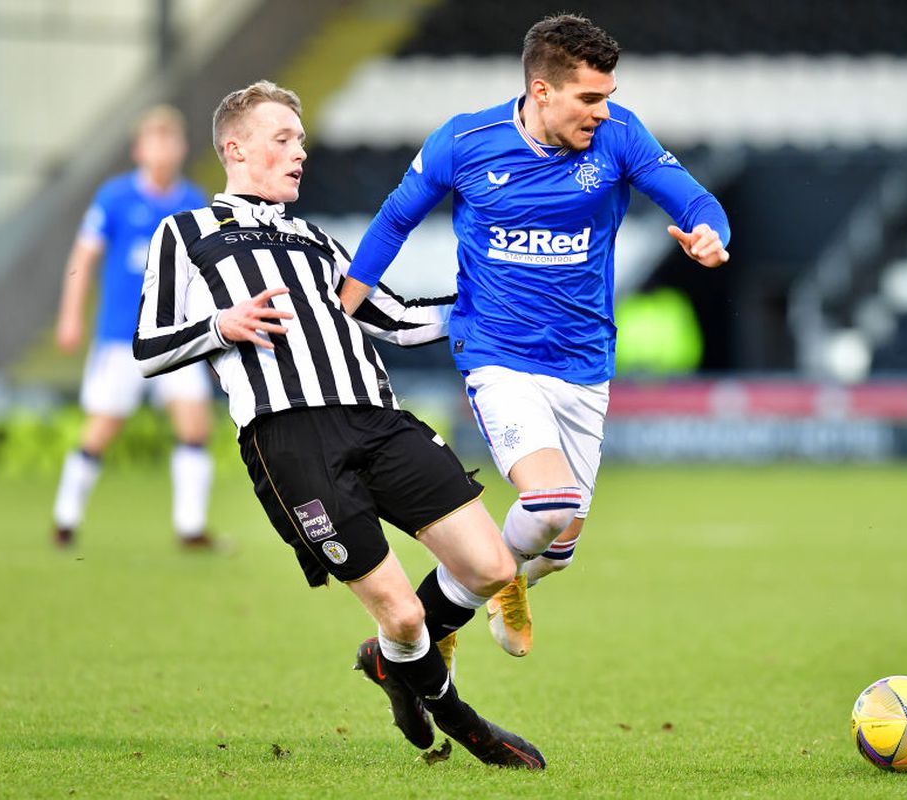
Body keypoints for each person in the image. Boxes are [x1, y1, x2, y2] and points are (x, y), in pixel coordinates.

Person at [133, 80, 544, 769]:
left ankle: (392, 667)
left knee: (492, 563)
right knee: (404, 617)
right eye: (282, 139)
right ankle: (462, 720)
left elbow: (399, 318)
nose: (299, 153)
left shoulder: (317, 239)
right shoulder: (187, 232)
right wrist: (218, 325)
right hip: (290, 440)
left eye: (301, 140)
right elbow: (147, 345)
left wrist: (495, 307)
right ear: (234, 148)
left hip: (377, 421)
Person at [339, 14, 730, 657]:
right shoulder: (465, 142)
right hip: (497, 352)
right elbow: (393, 220)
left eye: (608, 96)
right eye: (590, 98)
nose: (604, 112)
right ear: (542, 92)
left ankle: (488, 586)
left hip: (584, 361)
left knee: (558, 549)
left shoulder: (621, 134)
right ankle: (452, 610)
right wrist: (345, 308)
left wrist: (713, 237)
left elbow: (697, 203)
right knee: (548, 504)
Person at [51, 105, 215, 548]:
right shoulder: (115, 197)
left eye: (171, 139)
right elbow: (83, 258)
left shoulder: (192, 201)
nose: (164, 148)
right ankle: (65, 519)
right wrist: (70, 317)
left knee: (195, 427)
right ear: (140, 149)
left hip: (176, 338)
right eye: (155, 139)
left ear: (181, 147)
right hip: (121, 337)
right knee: (103, 426)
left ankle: (191, 528)